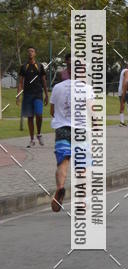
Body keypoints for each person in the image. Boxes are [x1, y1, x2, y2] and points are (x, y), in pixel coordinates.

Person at [49, 56, 93, 212]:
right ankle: (81, 202)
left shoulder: (57, 87)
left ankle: (60, 187)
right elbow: (91, 111)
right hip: (81, 131)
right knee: (82, 167)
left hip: (62, 129)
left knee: (63, 162)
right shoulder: (87, 88)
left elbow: (52, 111)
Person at [18, 46, 48, 147]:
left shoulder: (39, 66)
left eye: (32, 51)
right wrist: (18, 95)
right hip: (27, 95)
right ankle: (32, 140)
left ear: (35, 53)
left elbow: (44, 81)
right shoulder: (24, 66)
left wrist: (46, 95)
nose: (30, 53)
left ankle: (39, 134)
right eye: (29, 51)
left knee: (39, 114)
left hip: (38, 94)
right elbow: (21, 82)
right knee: (30, 117)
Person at [118, 61, 128, 126]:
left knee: (123, 105)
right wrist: (125, 91)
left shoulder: (124, 70)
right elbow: (125, 81)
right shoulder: (127, 72)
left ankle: (122, 121)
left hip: (121, 90)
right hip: (125, 91)